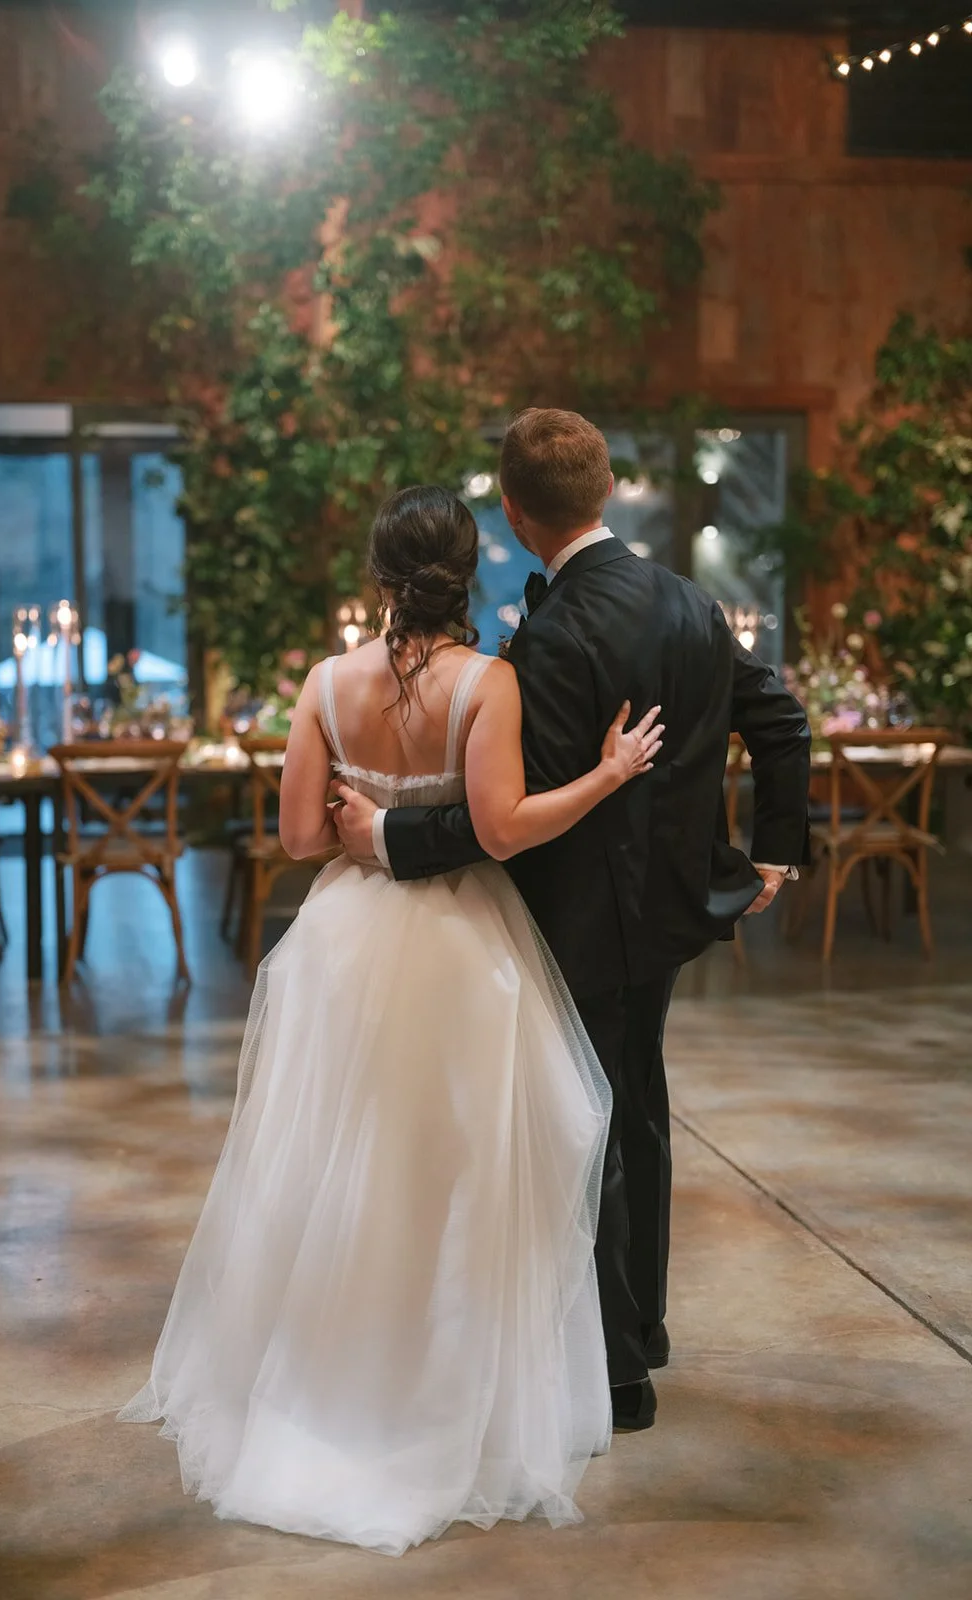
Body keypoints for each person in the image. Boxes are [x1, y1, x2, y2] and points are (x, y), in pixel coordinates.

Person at [119, 484, 662, 1557]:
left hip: (343, 945)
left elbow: (295, 840)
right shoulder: (488, 682)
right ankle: (440, 1385)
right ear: (471, 572)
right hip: (463, 947)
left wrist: (363, 826)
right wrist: (607, 773)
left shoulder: (326, 683)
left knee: (334, 1163)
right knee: (456, 1171)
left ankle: (325, 1373)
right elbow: (503, 832)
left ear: (379, 575)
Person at [335, 409, 812, 1435]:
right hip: (671, 915)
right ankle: (644, 1330)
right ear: (602, 493)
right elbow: (781, 721)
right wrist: (777, 847)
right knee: (635, 1102)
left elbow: (500, 822)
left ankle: (616, 1369)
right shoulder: (692, 604)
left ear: (512, 512)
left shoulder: (548, 640)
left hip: (577, 920)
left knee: (583, 1126)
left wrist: (385, 836)